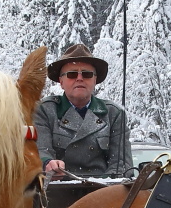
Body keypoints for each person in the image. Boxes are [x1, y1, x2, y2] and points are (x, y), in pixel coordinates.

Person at [34, 43, 132, 178]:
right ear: (61, 81)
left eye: (86, 74)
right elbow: (41, 151)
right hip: (57, 191)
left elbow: (120, 165)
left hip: (103, 191)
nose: (79, 78)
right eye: (72, 74)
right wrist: (48, 164)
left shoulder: (114, 114)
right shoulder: (44, 110)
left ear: (95, 80)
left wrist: (103, 189)